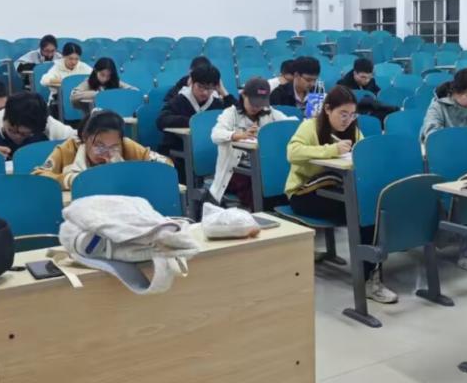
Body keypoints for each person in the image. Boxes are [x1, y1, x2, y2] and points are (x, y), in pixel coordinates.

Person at [284, 86, 396, 304]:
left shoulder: (353, 130)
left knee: (369, 209)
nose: (348, 120)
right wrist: (331, 150)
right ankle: (368, 280)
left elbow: (363, 154)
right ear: (327, 109)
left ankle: (371, 273)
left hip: (335, 190)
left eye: (352, 114)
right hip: (304, 193)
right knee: (361, 212)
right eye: (343, 114)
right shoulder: (310, 126)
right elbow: (292, 152)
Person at [33, 110, 171, 190]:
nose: (106, 154)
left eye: (113, 147)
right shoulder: (69, 148)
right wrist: (72, 180)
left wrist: (132, 175)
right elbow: (37, 176)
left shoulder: (126, 146)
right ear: (85, 138)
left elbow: (166, 165)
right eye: (99, 146)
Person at [209, 77, 290, 207]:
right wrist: (238, 135)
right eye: (253, 103)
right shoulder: (231, 113)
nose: (256, 107)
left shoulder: (270, 113)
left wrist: (269, 134)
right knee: (257, 189)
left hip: (262, 168)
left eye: (260, 104)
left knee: (281, 183)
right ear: (243, 95)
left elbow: (291, 124)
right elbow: (216, 135)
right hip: (237, 170)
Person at [157, 65, 234, 173]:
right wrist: (193, 122)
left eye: (209, 88)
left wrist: (224, 92)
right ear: (192, 83)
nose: (205, 92)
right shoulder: (179, 100)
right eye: (200, 87)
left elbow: (238, 117)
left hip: (206, 151)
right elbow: (161, 120)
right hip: (177, 151)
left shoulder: (216, 102)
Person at [0, 92, 76, 158]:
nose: (17, 137)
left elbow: (79, 140)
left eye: (24, 134)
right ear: (4, 117)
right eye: (11, 130)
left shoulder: (48, 124)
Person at [420, 68, 467, 144]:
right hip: (445, 149)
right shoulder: (437, 107)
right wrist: (460, 136)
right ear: (456, 91)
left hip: (466, 148)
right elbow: (432, 135)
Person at [69, 58, 138, 117]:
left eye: (108, 76)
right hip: (92, 119)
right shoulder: (88, 82)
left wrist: (117, 94)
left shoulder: (114, 81)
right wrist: (97, 94)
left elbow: (135, 91)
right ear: (95, 71)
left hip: (113, 117)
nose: (105, 79)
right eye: (102, 75)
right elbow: (73, 96)